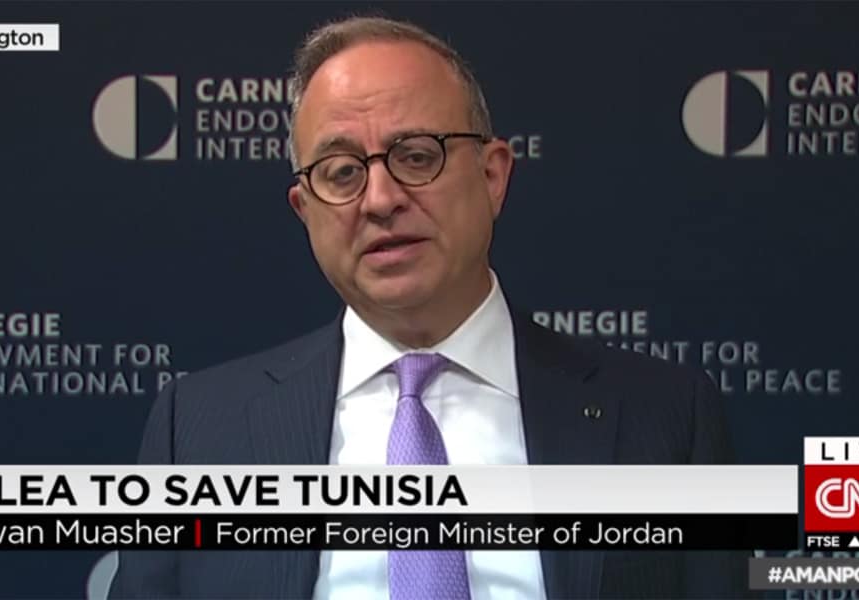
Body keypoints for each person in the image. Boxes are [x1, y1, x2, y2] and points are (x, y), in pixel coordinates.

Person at [111, 15, 745, 600]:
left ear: (493, 176)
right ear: (305, 210)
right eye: (341, 172)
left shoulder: (666, 417)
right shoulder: (197, 431)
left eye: (417, 156)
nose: (380, 199)